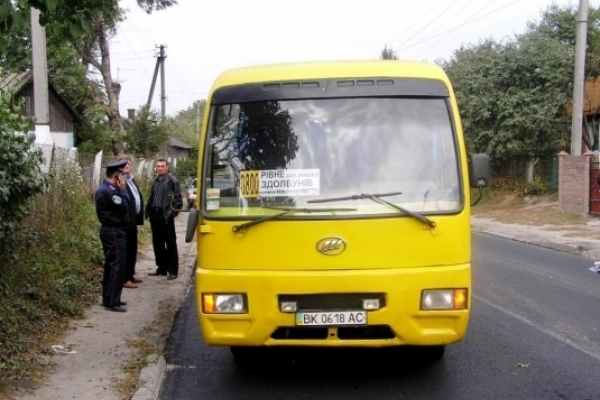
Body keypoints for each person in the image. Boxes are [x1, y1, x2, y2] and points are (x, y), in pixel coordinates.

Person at [95, 160, 130, 312]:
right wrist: (123, 190)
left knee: (111, 265)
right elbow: (124, 206)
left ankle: (109, 298)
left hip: (112, 230)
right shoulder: (110, 191)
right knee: (117, 265)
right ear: (117, 176)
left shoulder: (106, 189)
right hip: (113, 231)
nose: (124, 178)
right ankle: (111, 301)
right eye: (122, 174)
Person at [145, 158, 183, 280]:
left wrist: (170, 214)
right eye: (158, 166)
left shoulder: (173, 181)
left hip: (165, 215)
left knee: (170, 243)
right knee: (157, 243)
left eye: (162, 166)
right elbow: (151, 197)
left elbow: (178, 202)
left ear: (167, 168)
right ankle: (162, 268)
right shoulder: (154, 181)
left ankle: (173, 270)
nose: (160, 168)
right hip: (154, 215)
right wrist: (148, 212)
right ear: (156, 168)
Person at [118, 155, 144, 289]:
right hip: (125, 221)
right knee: (126, 250)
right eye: (124, 163)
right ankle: (125, 278)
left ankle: (131, 274)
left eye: (128, 163)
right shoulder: (119, 180)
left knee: (133, 249)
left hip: (133, 221)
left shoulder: (130, 180)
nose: (127, 165)